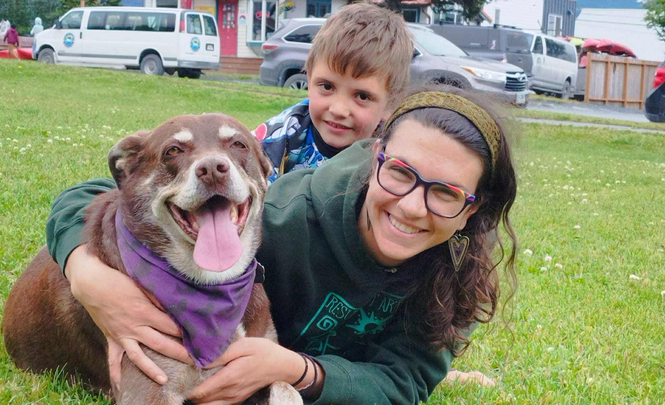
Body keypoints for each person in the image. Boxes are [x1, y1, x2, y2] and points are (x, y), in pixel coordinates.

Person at [46, 87, 518, 404]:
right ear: (376, 157)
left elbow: (404, 382)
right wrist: (85, 272)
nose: (412, 207)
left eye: (446, 193)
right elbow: (87, 196)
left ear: (473, 208)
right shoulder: (280, 217)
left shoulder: (459, 270)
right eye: (400, 172)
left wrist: (298, 370)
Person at [252, 2, 412, 182]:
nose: (338, 110)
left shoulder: (395, 154)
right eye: (327, 87)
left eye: (362, 96)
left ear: (390, 104)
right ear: (310, 80)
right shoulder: (275, 140)